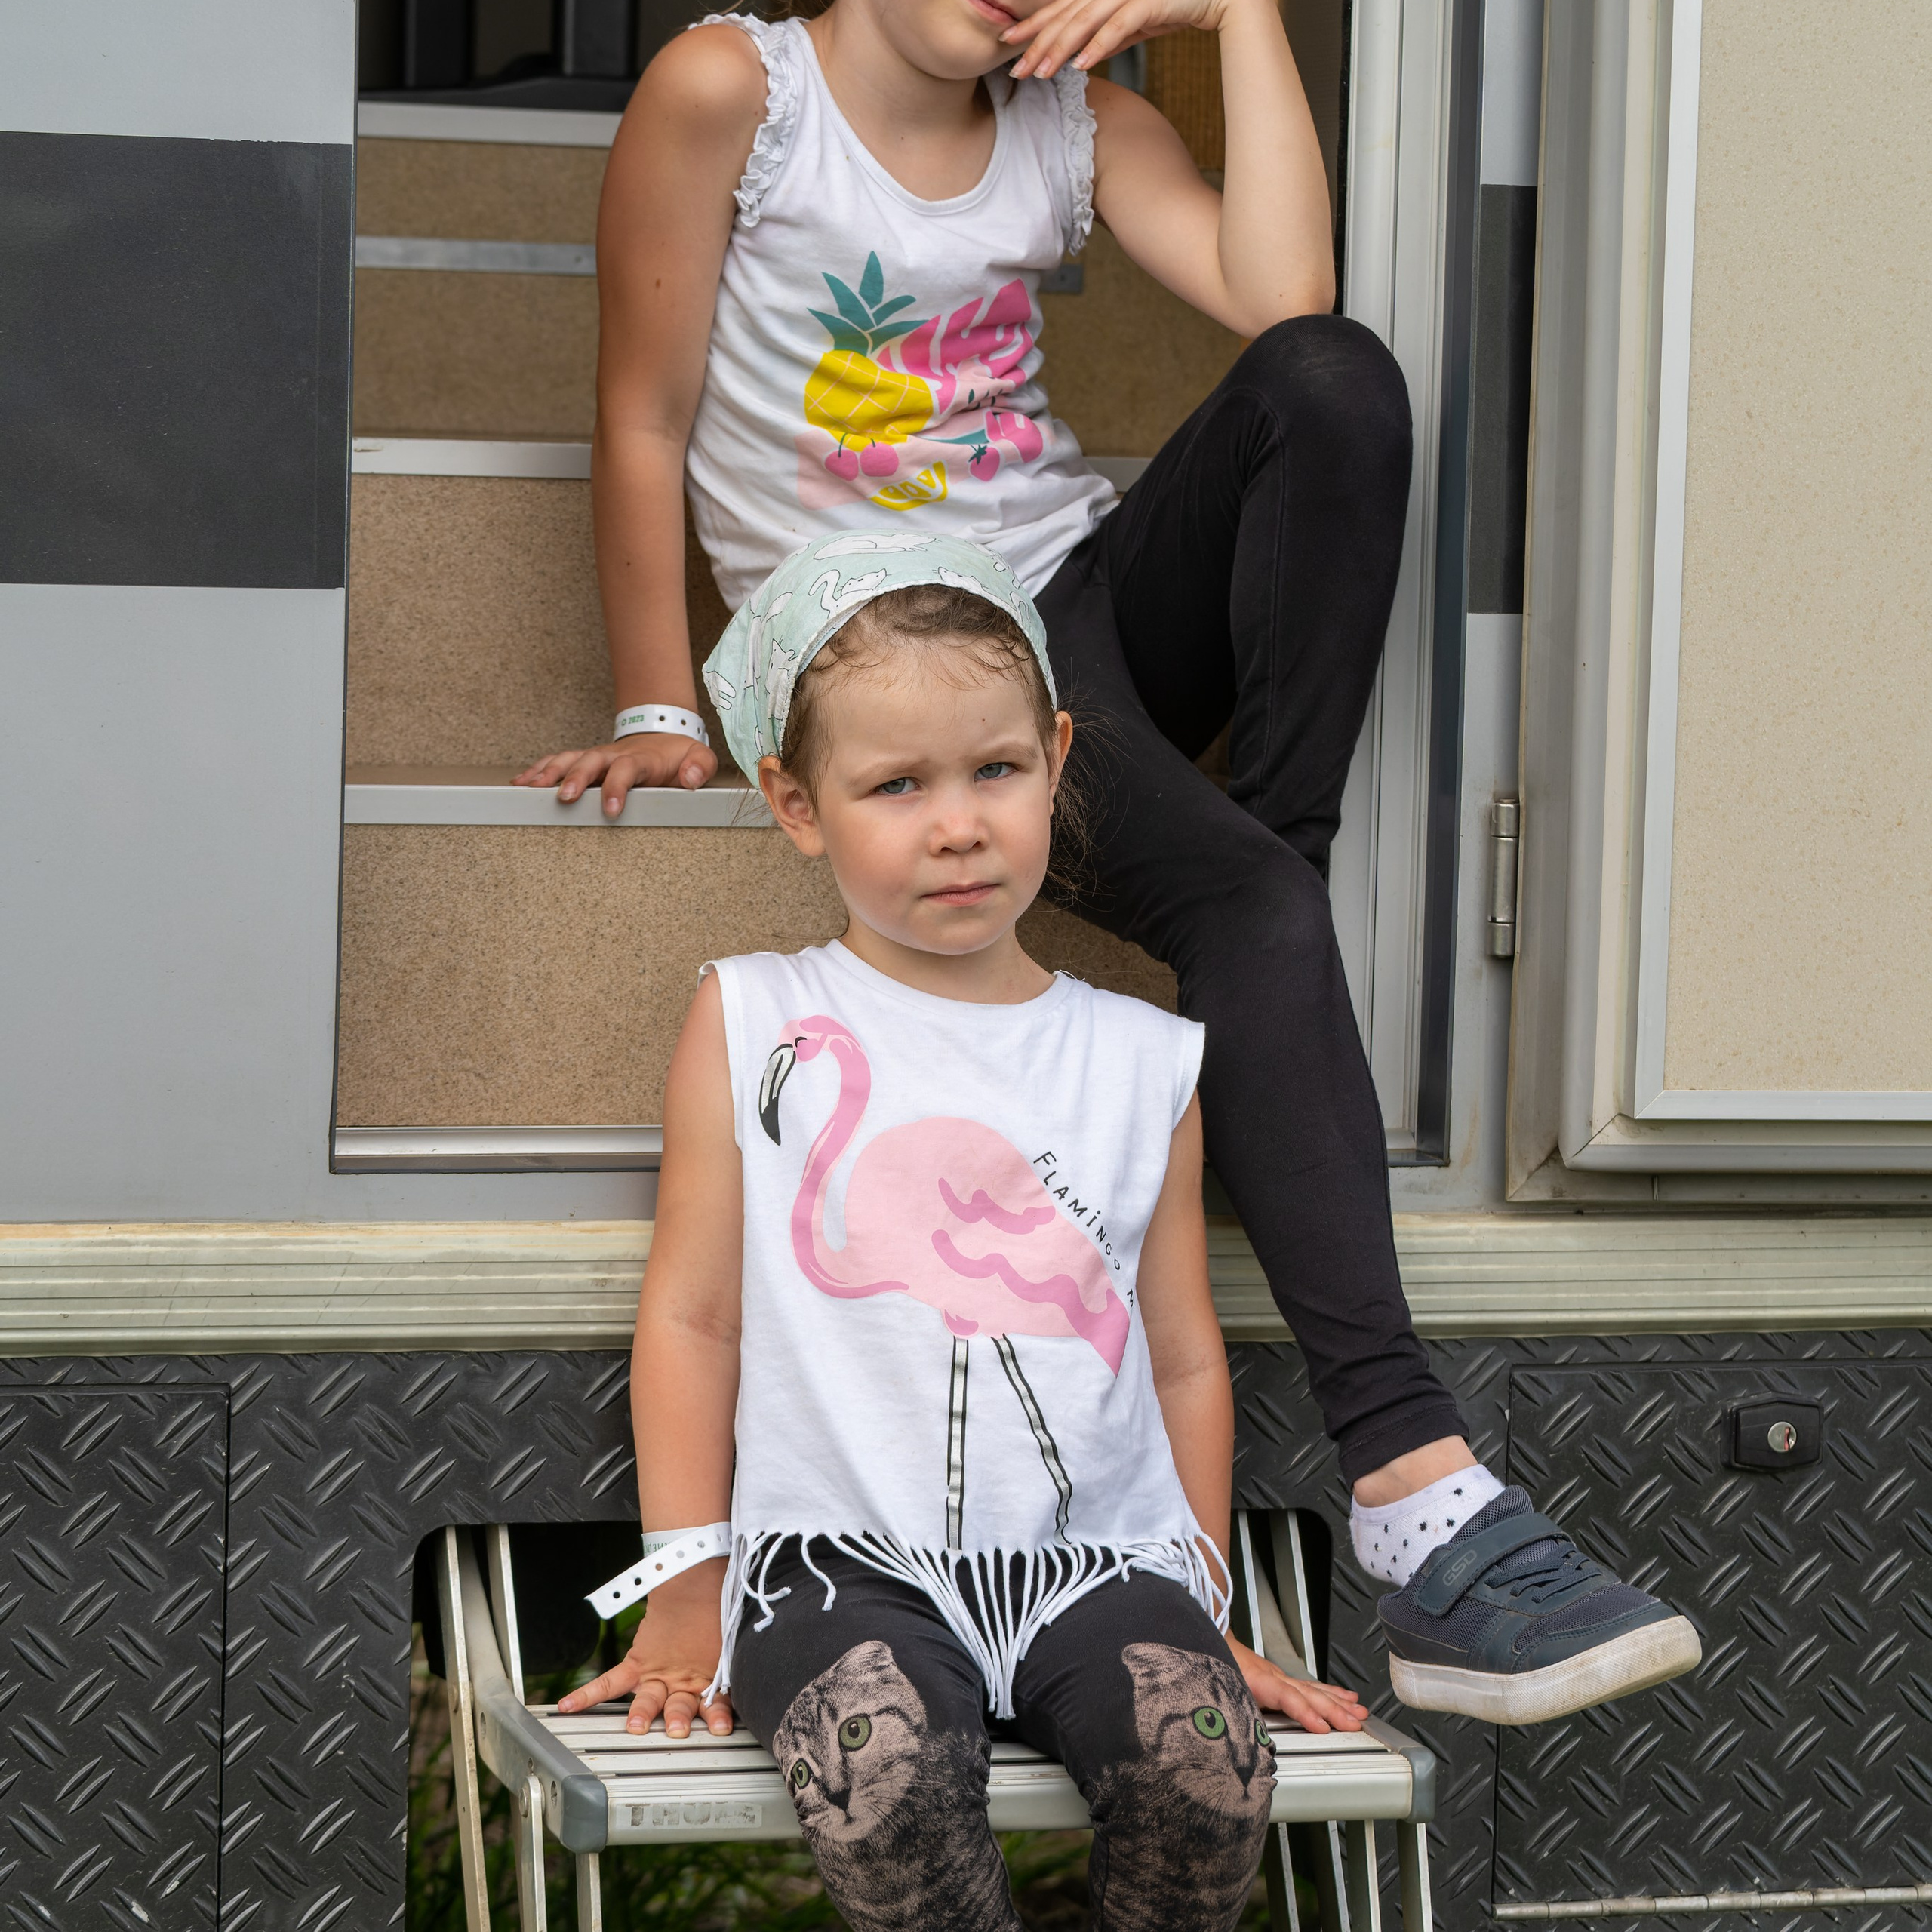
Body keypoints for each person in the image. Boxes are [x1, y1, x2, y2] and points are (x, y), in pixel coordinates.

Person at [521, 0, 1701, 1723]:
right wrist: (654, 698)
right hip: (866, 627)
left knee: (1332, 376)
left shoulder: (1075, 118)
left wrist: (1236, 11)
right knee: (1248, 907)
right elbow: (643, 412)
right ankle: (1412, 1485)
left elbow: (1285, 293)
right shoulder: (735, 91)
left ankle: (1267, 886)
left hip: (1068, 592)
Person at [561, 534, 1366, 1932]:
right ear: (796, 805)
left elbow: (1181, 1355)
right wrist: (689, 1586)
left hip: (1102, 1564)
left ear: (1056, 761)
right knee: (884, 1788)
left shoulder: (1145, 1059)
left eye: (995, 769)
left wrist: (1202, 1604)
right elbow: (695, 1316)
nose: (958, 825)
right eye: (896, 785)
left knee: (1208, 1770)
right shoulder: (754, 1018)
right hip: (836, 1563)